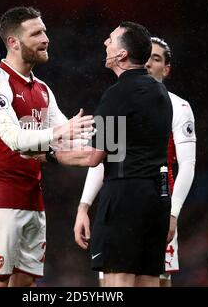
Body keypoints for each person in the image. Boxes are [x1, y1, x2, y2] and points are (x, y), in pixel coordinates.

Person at [0, 6, 94, 287]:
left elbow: (73, 137)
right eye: (36, 33)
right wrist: (61, 131)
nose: (46, 38)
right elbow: (15, 139)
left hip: (32, 198)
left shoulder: (41, 89)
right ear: (14, 42)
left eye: (45, 31)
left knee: (25, 284)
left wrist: (122, 140)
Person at [53, 22, 173, 287]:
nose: (105, 43)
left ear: (122, 55)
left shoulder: (117, 94)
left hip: (125, 197)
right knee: (149, 280)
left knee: (117, 282)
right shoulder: (161, 92)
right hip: (158, 199)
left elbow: (94, 157)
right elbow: (123, 144)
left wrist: (52, 155)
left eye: (111, 39)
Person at [73, 37, 197, 287]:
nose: (150, 63)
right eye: (147, 57)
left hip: (157, 205)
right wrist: (84, 205)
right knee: (114, 281)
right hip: (123, 203)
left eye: (157, 59)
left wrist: (173, 214)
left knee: (152, 281)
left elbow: (187, 166)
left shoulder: (177, 107)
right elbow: (106, 154)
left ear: (167, 69)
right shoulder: (121, 99)